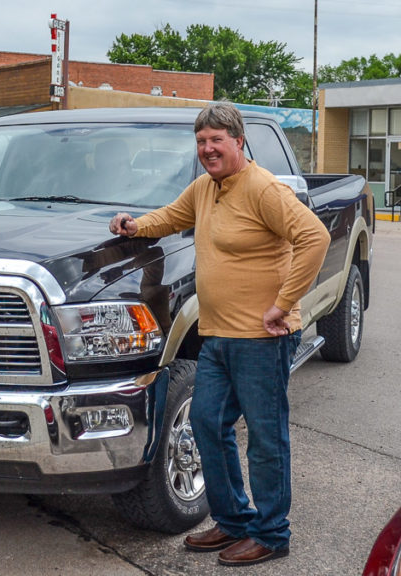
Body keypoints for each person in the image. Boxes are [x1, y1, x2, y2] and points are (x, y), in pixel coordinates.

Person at [108, 102, 330, 568]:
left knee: (267, 439)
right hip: (218, 336)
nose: (208, 149)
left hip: (262, 338)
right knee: (207, 423)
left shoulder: (262, 188)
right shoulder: (206, 188)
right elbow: (170, 216)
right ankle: (232, 519)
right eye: (202, 141)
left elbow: (315, 237)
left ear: (239, 141)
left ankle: (271, 533)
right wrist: (134, 225)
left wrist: (284, 303)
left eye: (217, 140)